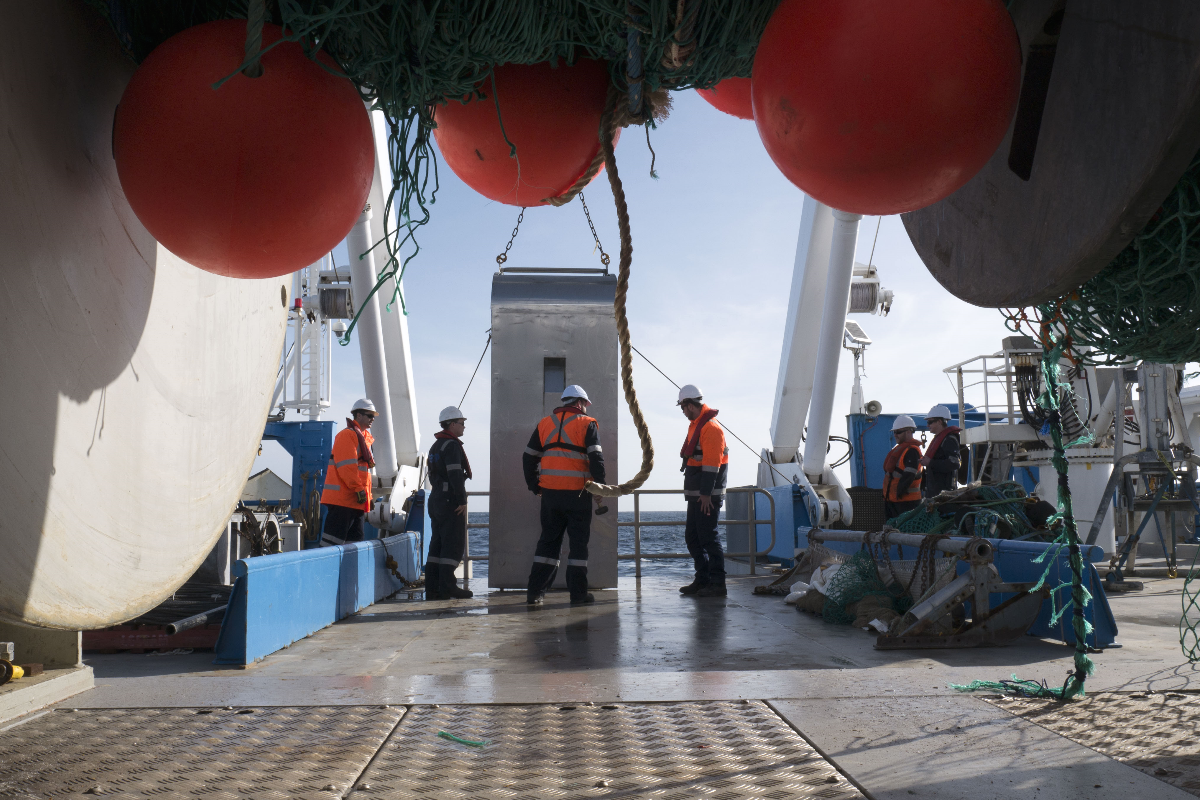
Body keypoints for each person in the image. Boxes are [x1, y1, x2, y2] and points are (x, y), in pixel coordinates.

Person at [522, 385, 606, 606]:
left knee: (548, 543)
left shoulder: (544, 423)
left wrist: (535, 485)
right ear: (579, 403)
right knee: (578, 546)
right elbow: (596, 459)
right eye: (585, 405)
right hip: (578, 494)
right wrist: (601, 489)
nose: (586, 409)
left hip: (550, 495)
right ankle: (578, 595)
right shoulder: (587, 424)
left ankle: (535, 594)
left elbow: (528, 457)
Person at [676, 385, 730, 598]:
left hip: (707, 495)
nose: (682, 411)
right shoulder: (696, 425)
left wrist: (706, 494)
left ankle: (718, 584)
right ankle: (703, 578)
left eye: (682, 407)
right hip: (697, 494)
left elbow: (712, 464)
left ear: (690, 405)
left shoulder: (711, 428)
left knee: (709, 537)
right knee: (692, 536)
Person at [424, 406, 473, 600]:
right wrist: (462, 500)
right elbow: (455, 475)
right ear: (452, 424)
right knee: (452, 544)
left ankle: (433, 588)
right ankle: (448, 587)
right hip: (449, 501)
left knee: (437, 545)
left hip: (435, 500)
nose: (464, 427)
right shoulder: (451, 446)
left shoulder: (435, 446)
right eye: (462, 423)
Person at [319, 398, 377, 547]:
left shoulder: (364, 439)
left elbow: (364, 475)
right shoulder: (348, 435)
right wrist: (359, 490)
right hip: (342, 501)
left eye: (373, 416)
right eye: (369, 415)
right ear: (358, 415)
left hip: (356, 502)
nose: (372, 419)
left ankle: (348, 571)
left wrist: (368, 496)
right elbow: (347, 468)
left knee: (354, 547)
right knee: (331, 545)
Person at [882, 415, 923, 520]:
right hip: (893, 501)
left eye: (898, 432)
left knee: (905, 533)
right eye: (894, 432)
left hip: (907, 503)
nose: (895, 435)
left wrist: (899, 492)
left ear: (908, 432)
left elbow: (909, 475)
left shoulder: (912, 451)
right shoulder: (901, 449)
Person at [921, 405, 962, 498]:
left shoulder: (949, 440)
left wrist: (930, 462)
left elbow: (955, 463)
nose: (928, 425)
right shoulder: (940, 439)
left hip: (944, 495)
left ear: (939, 421)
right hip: (935, 494)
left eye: (930, 422)